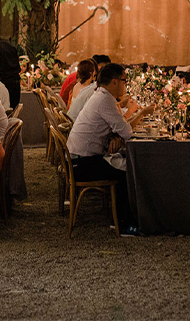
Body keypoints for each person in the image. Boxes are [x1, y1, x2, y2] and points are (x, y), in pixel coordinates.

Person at [66, 63, 154, 234]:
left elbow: (120, 128)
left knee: (125, 163)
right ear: (115, 82)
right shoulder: (105, 100)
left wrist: (116, 136)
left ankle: (123, 218)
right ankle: (123, 223)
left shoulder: (102, 96)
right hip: (83, 164)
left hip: (79, 158)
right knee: (130, 169)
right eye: (124, 81)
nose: (126, 85)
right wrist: (141, 114)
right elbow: (127, 132)